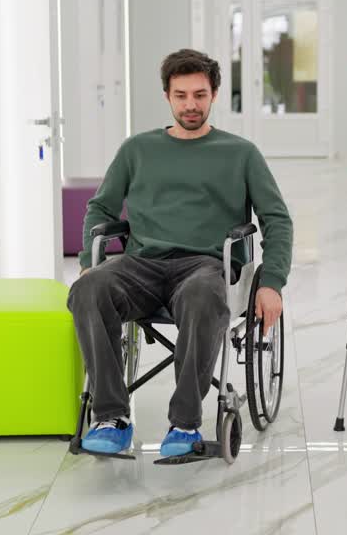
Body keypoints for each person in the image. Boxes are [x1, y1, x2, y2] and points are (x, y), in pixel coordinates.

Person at [68, 49, 292, 457]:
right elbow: (99, 208)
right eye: (182, 95)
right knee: (87, 291)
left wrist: (272, 282)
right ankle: (111, 415)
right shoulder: (137, 150)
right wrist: (88, 263)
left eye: (200, 95)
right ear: (167, 96)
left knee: (203, 296)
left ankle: (185, 424)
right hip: (141, 264)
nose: (191, 104)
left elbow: (277, 219)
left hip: (205, 266)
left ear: (215, 94)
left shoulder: (241, 153)